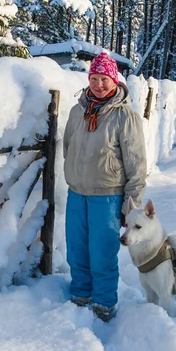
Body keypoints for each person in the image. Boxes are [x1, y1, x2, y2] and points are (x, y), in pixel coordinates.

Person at [62, 52, 147, 322]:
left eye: (105, 79)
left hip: (108, 197)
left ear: (115, 80)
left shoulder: (125, 116)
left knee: (102, 255)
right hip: (77, 193)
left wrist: (130, 205)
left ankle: (103, 304)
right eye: (95, 79)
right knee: (76, 250)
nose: (99, 85)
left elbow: (136, 165)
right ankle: (80, 295)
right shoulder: (78, 111)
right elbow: (68, 147)